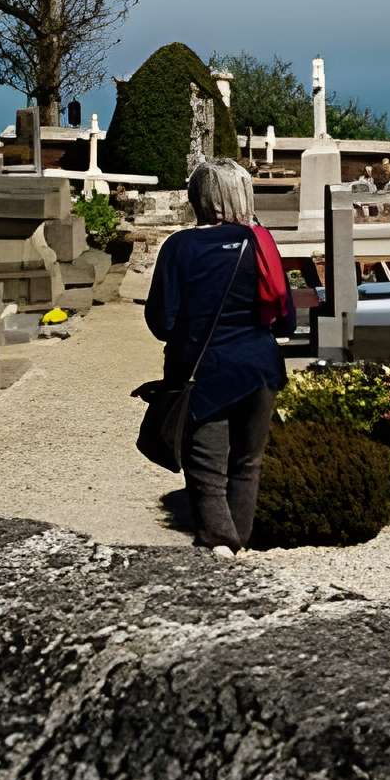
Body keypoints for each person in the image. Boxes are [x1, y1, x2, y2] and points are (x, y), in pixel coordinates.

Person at [144, 157, 287, 552]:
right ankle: (237, 547)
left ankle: (220, 547)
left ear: (199, 198)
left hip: (203, 372)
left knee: (207, 469)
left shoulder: (179, 247)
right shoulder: (262, 242)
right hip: (260, 367)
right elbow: (284, 315)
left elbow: (162, 321)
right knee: (247, 463)